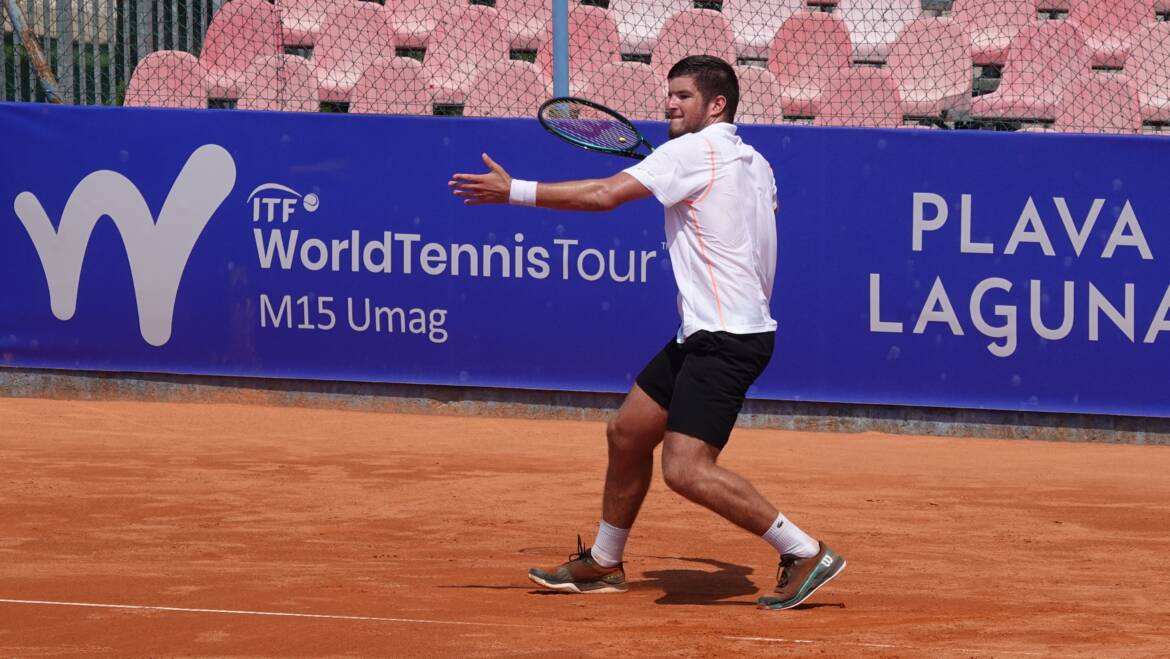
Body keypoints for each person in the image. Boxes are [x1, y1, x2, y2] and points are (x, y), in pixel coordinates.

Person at [447, 55, 845, 610]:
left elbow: (604, 195)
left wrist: (515, 191)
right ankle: (606, 562)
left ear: (717, 104)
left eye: (683, 96)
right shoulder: (753, 161)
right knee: (629, 433)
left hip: (724, 338)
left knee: (685, 470)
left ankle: (802, 550)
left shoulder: (692, 151)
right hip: (711, 331)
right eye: (670, 95)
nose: (670, 105)